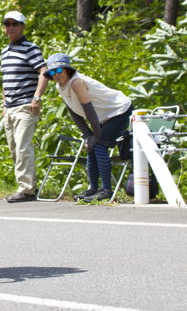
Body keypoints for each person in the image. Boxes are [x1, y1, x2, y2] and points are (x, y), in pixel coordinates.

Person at [43, 53, 133, 202]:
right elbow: (74, 113)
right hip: (104, 116)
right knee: (91, 147)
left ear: (67, 70)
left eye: (59, 71)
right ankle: (93, 189)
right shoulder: (61, 87)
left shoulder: (76, 82)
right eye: (52, 72)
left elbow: (88, 109)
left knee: (99, 146)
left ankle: (106, 191)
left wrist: (96, 135)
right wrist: (87, 135)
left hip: (119, 111)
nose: (56, 75)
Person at [0, 11, 49, 203]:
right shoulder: (5, 51)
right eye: (7, 24)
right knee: (14, 149)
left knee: (22, 148)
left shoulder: (31, 48)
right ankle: (27, 186)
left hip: (26, 105)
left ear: (23, 27)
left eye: (14, 24)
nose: (10, 27)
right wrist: (4, 104)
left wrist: (36, 98)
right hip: (10, 108)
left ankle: (27, 190)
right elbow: (5, 80)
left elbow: (44, 73)